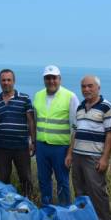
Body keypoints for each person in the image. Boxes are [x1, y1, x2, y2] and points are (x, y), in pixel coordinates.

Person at [65, 75, 111, 220]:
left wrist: (105, 158)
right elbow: (76, 132)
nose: (86, 89)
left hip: (94, 157)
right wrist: (69, 154)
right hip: (78, 156)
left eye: (90, 86)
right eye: (83, 86)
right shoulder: (80, 107)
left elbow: (110, 134)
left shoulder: (106, 107)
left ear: (98, 88)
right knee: (79, 190)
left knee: (97, 191)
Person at [33, 65, 79, 206]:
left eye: (54, 78)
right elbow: (36, 121)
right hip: (42, 147)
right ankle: (47, 209)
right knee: (43, 180)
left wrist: (70, 153)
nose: (51, 81)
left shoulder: (70, 96)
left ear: (60, 79)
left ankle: (64, 210)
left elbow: (75, 127)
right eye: (48, 78)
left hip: (61, 148)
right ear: (44, 79)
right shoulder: (38, 95)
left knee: (62, 181)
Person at [0, 69, 35, 197]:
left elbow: (31, 121)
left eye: (9, 80)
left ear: (14, 81)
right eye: (3, 80)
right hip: (2, 147)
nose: (6, 83)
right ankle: (5, 203)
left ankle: (28, 201)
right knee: (3, 178)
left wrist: (33, 141)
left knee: (25, 178)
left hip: (21, 146)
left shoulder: (24, 98)